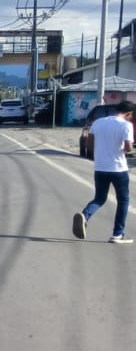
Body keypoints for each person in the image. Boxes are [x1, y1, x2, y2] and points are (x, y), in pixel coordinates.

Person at [73, 100, 135, 244]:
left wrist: (102, 151)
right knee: (123, 200)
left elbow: (88, 144)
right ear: (128, 113)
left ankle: (84, 216)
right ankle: (117, 234)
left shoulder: (98, 122)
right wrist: (123, 149)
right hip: (119, 169)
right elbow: (128, 147)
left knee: (99, 198)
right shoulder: (126, 125)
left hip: (100, 167)